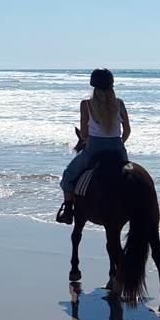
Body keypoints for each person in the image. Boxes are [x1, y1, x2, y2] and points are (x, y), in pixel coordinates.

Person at [56, 68, 131, 224]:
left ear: (94, 86)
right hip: (118, 148)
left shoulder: (86, 104)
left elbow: (83, 135)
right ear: (112, 85)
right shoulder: (119, 103)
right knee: (130, 177)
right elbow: (127, 131)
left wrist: (94, 141)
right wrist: (118, 143)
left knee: (68, 177)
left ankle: (68, 211)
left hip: (94, 148)